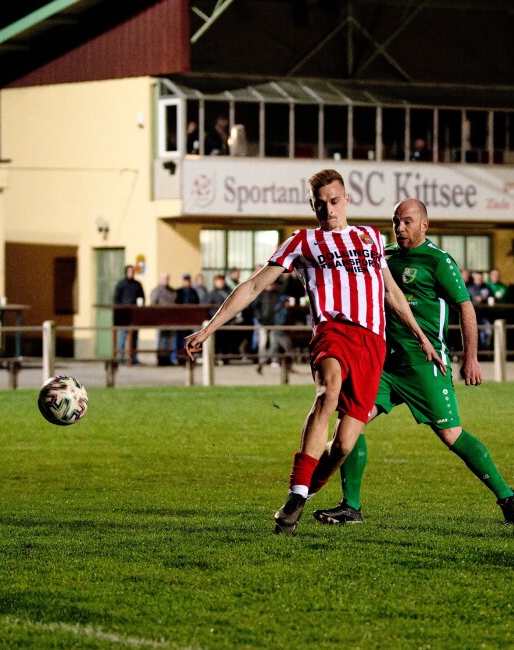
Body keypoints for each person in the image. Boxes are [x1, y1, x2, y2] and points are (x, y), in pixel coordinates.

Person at [183, 169, 444, 535]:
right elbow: (255, 285)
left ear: (347, 199)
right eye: (320, 205)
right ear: (312, 205)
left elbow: (391, 293)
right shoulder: (302, 242)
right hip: (332, 332)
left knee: (344, 445)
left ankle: (302, 496)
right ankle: (296, 491)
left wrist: (421, 336)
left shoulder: (369, 237)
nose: (328, 210)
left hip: (372, 343)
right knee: (329, 388)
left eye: (334, 202)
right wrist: (209, 328)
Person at [325, 199, 514, 528]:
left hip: (425, 364)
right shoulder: (384, 255)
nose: (400, 228)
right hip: (386, 365)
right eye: (396, 222)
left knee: (450, 434)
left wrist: (470, 357)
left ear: (424, 225)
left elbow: (466, 308)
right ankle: (351, 507)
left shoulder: (438, 262)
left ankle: (507, 496)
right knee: (350, 420)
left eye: (407, 222)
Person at [113, 264, 145, 365]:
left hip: (135, 315)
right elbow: (116, 299)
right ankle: (121, 357)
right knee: (122, 336)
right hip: (124, 315)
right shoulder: (121, 284)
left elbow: (142, 297)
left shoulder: (137, 285)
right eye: (129, 271)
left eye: (132, 271)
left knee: (134, 337)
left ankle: (133, 357)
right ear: (126, 272)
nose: (131, 273)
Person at [150, 272, 178, 366]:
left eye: (167, 278)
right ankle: (161, 359)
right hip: (160, 320)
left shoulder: (172, 291)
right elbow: (153, 304)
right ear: (160, 279)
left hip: (171, 320)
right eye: (163, 278)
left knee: (170, 339)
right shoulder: (156, 291)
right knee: (161, 340)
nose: (165, 280)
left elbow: (176, 303)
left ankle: (168, 359)